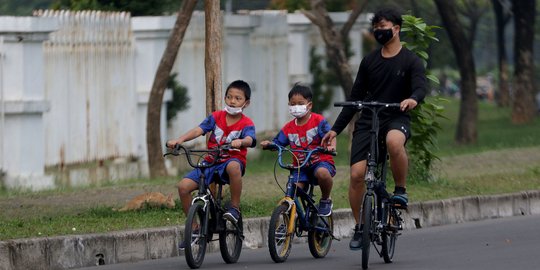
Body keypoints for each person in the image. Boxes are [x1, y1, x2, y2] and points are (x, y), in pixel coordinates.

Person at [321, 8, 426, 250]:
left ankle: (400, 190)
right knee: (357, 175)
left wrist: (413, 99)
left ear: (396, 29)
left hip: (396, 116)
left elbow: (420, 87)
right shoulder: (369, 61)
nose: (379, 31)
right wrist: (335, 130)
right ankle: (360, 227)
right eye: (376, 28)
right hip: (368, 120)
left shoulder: (411, 60)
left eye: (383, 26)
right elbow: (354, 99)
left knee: (394, 142)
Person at [166, 80, 256, 238]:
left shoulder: (246, 123)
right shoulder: (216, 117)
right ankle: (193, 229)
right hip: (210, 162)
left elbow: (250, 139)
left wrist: (241, 142)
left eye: (237, 98)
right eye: (229, 97)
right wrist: (179, 140)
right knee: (183, 187)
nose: (232, 101)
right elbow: (198, 130)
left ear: (246, 103)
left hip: (231, 161)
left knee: (233, 166)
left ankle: (234, 207)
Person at [260, 83, 336, 216]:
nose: (296, 107)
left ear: (309, 105)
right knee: (292, 191)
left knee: (323, 173)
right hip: (300, 166)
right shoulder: (288, 128)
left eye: (300, 103)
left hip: (320, 161)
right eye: (292, 104)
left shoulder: (318, 121)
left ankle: (325, 199)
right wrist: (270, 144)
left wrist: (331, 146)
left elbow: (331, 135)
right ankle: (288, 219)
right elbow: (278, 143)